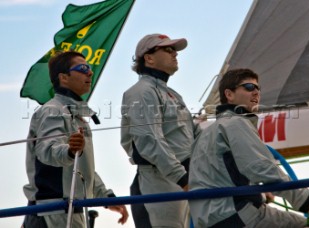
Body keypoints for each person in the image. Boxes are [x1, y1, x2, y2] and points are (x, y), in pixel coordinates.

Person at [188, 68, 309, 228]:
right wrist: (307, 201)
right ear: (229, 94)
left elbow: (220, 175)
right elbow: (260, 166)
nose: (256, 92)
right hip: (237, 215)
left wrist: (259, 191)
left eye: (258, 88)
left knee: (301, 222)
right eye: (249, 87)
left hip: (212, 219)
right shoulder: (235, 122)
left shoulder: (206, 133)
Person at [22, 50, 128, 228]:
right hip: (53, 213)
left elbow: (81, 170)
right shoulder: (53, 110)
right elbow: (47, 151)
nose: (90, 72)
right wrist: (69, 150)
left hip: (70, 211)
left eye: (90, 68)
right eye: (83, 68)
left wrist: (107, 197)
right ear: (64, 78)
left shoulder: (76, 117)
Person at [120, 33, 202, 227]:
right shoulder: (141, 92)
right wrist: (183, 178)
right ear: (148, 58)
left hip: (178, 180)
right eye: (168, 49)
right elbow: (150, 141)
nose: (175, 54)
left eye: (174, 50)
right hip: (157, 182)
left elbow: (196, 134)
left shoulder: (171, 94)